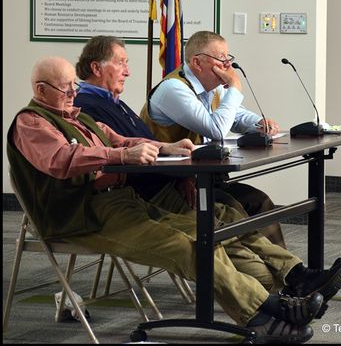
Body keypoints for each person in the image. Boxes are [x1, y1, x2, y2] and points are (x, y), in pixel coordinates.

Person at [8, 56, 341, 344]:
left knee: (209, 230)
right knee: (186, 245)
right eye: (65, 88)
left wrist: (165, 148)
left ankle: (285, 292)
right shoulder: (31, 123)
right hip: (81, 217)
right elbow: (62, 160)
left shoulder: (81, 117)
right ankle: (262, 315)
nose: (73, 92)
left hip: (122, 202)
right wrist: (120, 157)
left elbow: (122, 140)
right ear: (40, 90)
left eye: (74, 86)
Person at [75, 35, 286, 248]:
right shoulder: (171, 89)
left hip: (187, 177)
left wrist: (259, 123)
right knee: (231, 213)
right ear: (197, 62)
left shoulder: (114, 102)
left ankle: (287, 273)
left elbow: (236, 115)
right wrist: (234, 87)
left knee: (259, 201)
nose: (227, 65)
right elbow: (217, 129)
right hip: (161, 187)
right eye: (221, 58)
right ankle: (272, 275)